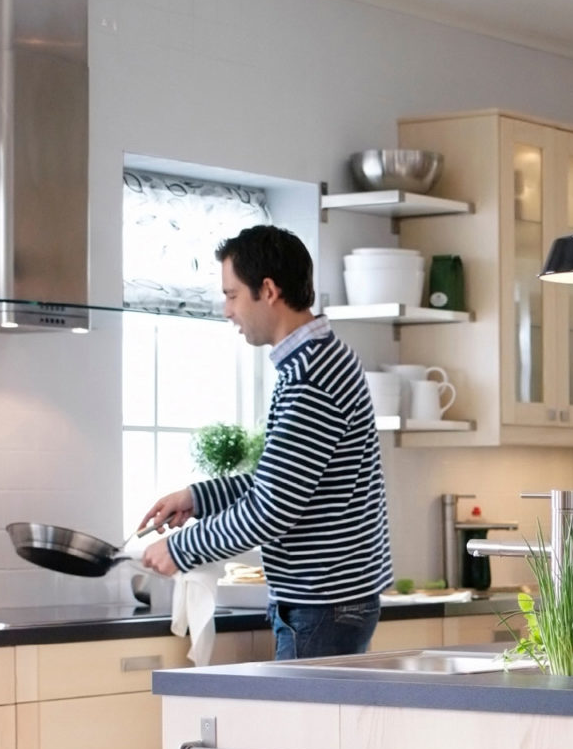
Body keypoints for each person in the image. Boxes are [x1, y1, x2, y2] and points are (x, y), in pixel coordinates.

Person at [137, 225, 393, 660]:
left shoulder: (310, 377)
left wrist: (181, 549)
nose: (227, 310)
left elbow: (270, 508)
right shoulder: (318, 360)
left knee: (299, 712)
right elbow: (284, 481)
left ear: (269, 291)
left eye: (232, 295)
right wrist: (198, 498)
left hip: (321, 606)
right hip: (328, 603)